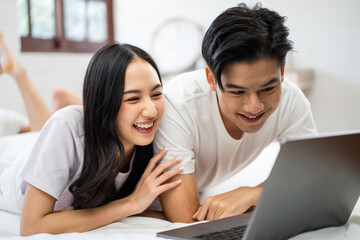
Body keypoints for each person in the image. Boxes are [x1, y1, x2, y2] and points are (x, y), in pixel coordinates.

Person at [0, 39, 184, 235]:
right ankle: (20, 74)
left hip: (64, 139)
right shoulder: (66, 125)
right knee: (44, 130)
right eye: (133, 98)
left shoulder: (161, 131)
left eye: (156, 94)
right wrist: (130, 204)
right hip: (10, 160)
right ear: (104, 101)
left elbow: (168, 213)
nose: (152, 110)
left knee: (40, 132)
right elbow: (31, 227)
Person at [154, 3, 318, 223]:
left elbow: (311, 174)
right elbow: (185, 218)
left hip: (198, 190)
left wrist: (254, 193)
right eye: (237, 91)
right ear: (212, 79)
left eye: (267, 89)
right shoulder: (179, 103)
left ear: (282, 71)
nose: (254, 106)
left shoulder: (291, 98)